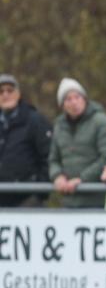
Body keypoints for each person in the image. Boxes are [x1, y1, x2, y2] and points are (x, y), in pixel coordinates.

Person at [48, 78, 106, 208]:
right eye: (68, 99)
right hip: (69, 202)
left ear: (84, 99)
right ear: (62, 105)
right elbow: (53, 159)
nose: (74, 102)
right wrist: (57, 176)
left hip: (98, 201)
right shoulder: (59, 126)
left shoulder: (101, 121)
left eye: (77, 97)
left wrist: (82, 179)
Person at [0, 74, 53, 207]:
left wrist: (39, 192)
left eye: (10, 90)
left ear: (18, 94)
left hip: (26, 200)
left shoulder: (35, 121)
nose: (5, 95)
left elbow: (49, 157)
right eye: (1, 92)